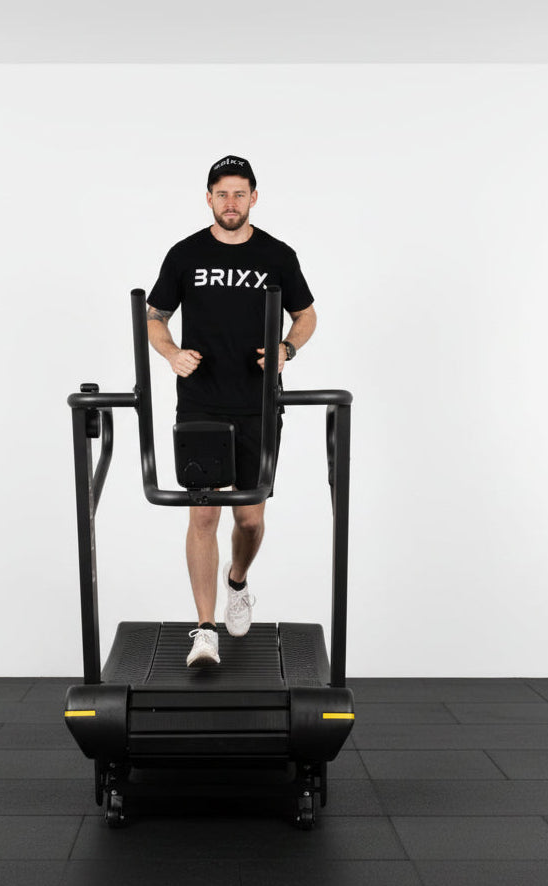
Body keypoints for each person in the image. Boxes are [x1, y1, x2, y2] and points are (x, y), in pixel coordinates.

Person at [146, 155, 317, 667]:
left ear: (254, 198)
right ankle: (204, 629)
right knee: (203, 514)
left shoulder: (277, 255)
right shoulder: (184, 254)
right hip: (200, 401)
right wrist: (171, 352)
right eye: (221, 194)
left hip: (258, 403)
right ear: (208, 198)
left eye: (240, 194)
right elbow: (155, 317)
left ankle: (237, 582)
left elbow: (306, 316)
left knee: (249, 518)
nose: (230, 203)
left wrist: (286, 349)